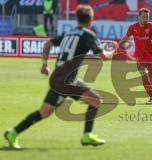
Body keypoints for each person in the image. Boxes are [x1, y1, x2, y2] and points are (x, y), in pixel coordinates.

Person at [4, 5, 113, 149]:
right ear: (91, 20)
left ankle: (13, 132)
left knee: (45, 112)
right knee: (95, 100)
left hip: (58, 77)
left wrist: (44, 64)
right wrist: (113, 50)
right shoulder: (88, 34)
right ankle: (87, 135)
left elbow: (48, 43)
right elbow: (103, 57)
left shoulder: (68, 33)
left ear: (77, 19)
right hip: (66, 80)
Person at [118, 8, 152, 105]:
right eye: (143, 17)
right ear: (139, 17)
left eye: (147, 17)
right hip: (140, 57)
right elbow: (126, 37)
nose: (145, 19)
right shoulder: (133, 27)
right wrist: (120, 44)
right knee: (144, 75)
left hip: (151, 57)